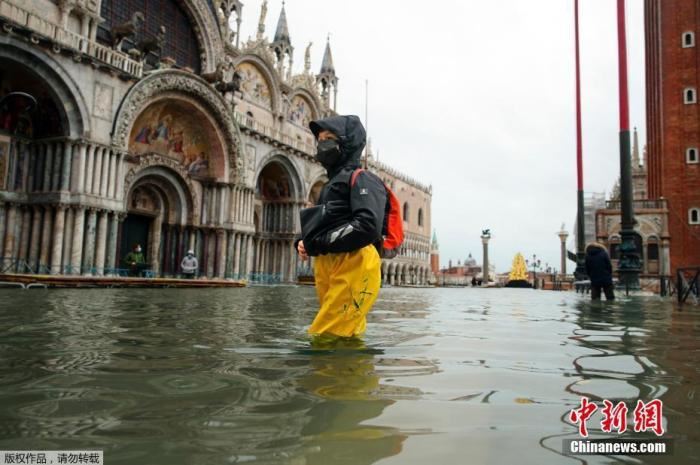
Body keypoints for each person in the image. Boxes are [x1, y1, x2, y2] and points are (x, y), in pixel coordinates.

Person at [296, 115, 387, 343]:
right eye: (319, 139)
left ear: (347, 142)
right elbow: (327, 221)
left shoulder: (364, 179)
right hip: (330, 263)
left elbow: (367, 225)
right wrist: (303, 240)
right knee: (345, 332)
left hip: (354, 262)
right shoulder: (329, 185)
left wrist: (318, 243)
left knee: (327, 336)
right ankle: (349, 376)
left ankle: (330, 377)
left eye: (329, 138)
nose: (321, 144)